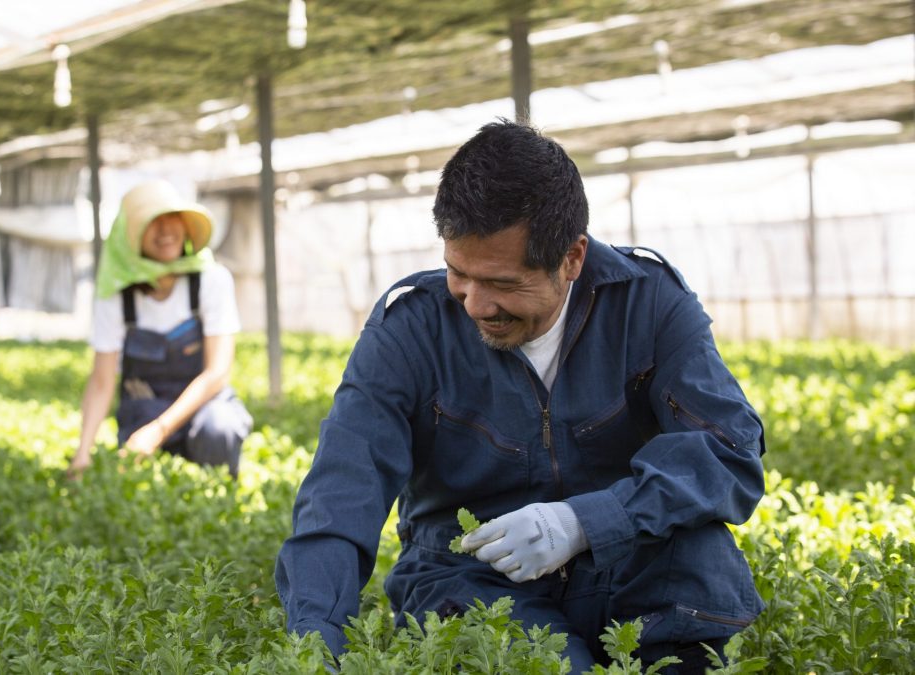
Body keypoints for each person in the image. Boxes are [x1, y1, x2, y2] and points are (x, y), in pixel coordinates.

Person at [275, 121, 765, 673]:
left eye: (505, 284)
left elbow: (730, 451)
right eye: (459, 273)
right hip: (468, 575)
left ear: (572, 258)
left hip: (625, 557)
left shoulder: (648, 303)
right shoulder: (410, 328)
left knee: (697, 558)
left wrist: (583, 522)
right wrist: (317, 644)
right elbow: (342, 493)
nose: (476, 305)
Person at [66, 179, 252, 480]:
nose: (165, 231)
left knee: (220, 428)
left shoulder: (211, 280)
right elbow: (101, 381)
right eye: (152, 223)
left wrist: (160, 430)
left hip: (203, 407)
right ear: (131, 237)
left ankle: (216, 491)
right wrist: (82, 453)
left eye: (171, 218)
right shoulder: (115, 295)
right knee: (137, 477)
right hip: (144, 408)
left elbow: (217, 373)